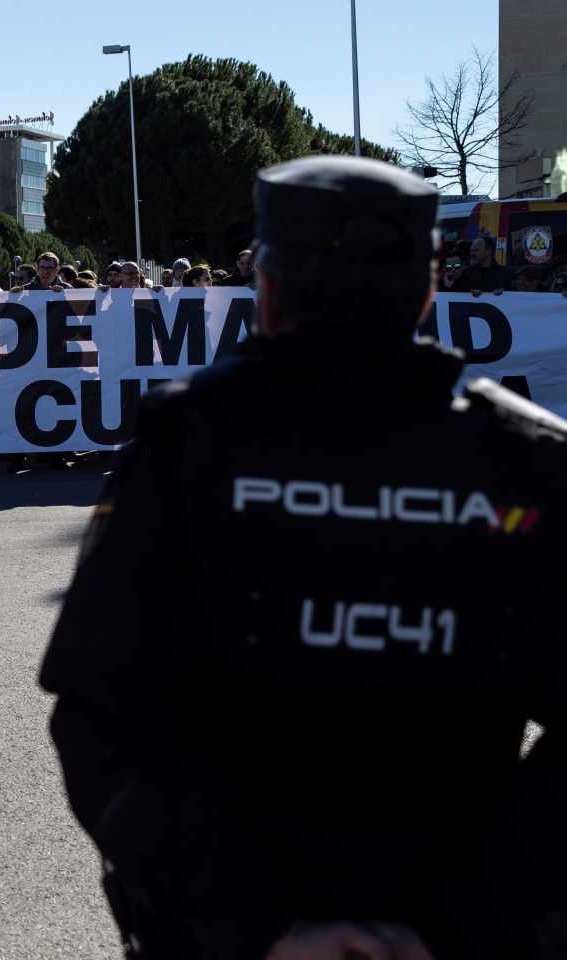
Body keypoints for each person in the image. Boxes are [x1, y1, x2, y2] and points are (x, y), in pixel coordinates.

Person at [41, 155, 567, 959]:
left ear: (269, 287)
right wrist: (461, 921)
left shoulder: (185, 445)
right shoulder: (528, 459)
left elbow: (98, 716)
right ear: (427, 289)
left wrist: (258, 925)